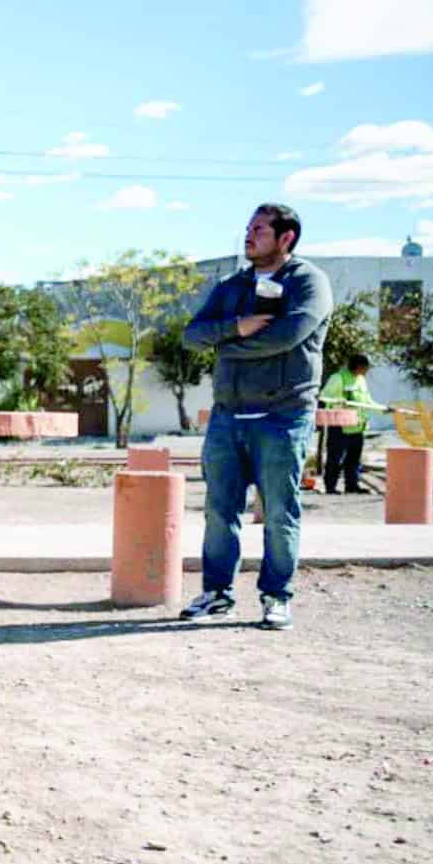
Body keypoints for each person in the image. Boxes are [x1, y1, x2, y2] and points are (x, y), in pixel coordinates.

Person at [180, 203, 333, 630]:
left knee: (280, 512)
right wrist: (237, 326)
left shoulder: (309, 282)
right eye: (248, 227)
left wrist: (225, 345)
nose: (249, 235)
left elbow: (287, 336)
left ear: (286, 238)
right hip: (229, 417)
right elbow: (192, 335)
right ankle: (216, 594)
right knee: (219, 511)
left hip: (283, 417)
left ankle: (276, 597)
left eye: (260, 229)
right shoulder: (232, 287)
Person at [317, 353, 384, 494]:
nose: (367, 371)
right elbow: (324, 397)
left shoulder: (361, 380)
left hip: (357, 426)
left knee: (354, 459)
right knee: (335, 458)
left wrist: (383, 410)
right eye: (365, 368)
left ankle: (352, 485)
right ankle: (330, 487)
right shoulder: (338, 378)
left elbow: (366, 401)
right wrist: (339, 401)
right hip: (340, 426)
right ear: (358, 366)